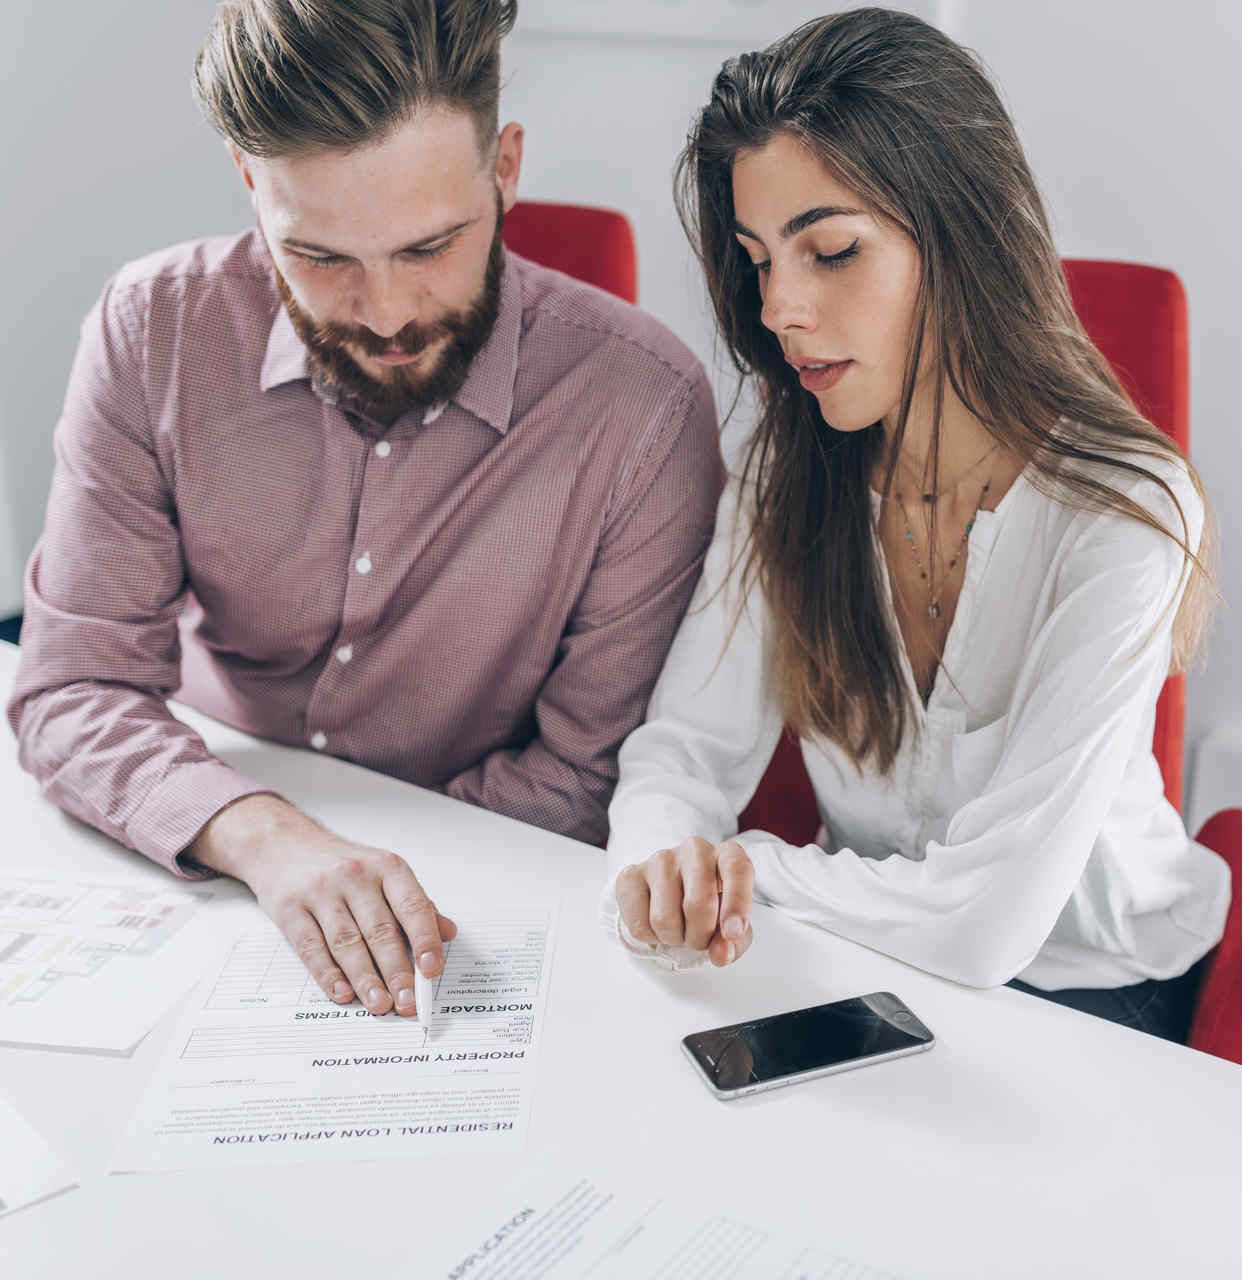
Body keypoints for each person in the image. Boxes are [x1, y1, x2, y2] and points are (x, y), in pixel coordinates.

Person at [8, 0, 722, 1021]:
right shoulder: (153, 328)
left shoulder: (643, 409)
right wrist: (268, 838)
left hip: (470, 909)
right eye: (323, 258)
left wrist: (371, 884)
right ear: (251, 184)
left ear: (505, 170)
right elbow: (73, 682)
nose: (386, 315)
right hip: (201, 861)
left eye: (430, 247)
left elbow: (579, 777)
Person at [602, 7, 1229, 1043]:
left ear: (960, 235)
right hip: (882, 971)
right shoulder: (783, 467)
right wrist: (656, 869)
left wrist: (747, 870)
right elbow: (680, 755)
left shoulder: (1127, 513)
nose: (777, 309)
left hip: (1107, 999)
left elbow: (988, 927)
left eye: (830, 251)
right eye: (759, 259)